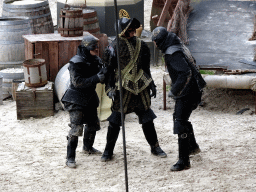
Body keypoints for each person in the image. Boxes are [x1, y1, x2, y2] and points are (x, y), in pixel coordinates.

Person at [101, 17, 167, 162]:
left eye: (133, 30)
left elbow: (146, 68)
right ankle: (108, 151)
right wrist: (110, 87)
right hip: (122, 89)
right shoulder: (112, 48)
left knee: (147, 118)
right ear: (123, 31)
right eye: (130, 30)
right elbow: (108, 71)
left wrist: (151, 84)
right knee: (115, 121)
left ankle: (155, 147)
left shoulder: (142, 46)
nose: (133, 33)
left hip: (141, 87)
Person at [152, 27, 206, 171]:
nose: (155, 45)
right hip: (193, 88)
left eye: (155, 42)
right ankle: (193, 147)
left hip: (188, 91)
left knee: (179, 122)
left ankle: (184, 161)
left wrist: (174, 90)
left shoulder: (172, 53)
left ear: (159, 42)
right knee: (180, 117)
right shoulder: (177, 44)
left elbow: (185, 73)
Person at [61, 35, 107, 168]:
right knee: (76, 129)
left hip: (90, 97)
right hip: (76, 99)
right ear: (86, 49)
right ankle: (70, 157)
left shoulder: (95, 60)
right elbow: (77, 82)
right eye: (93, 48)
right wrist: (96, 78)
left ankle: (88, 147)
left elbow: (100, 71)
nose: (96, 51)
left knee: (93, 124)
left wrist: (104, 72)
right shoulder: (75, 63)